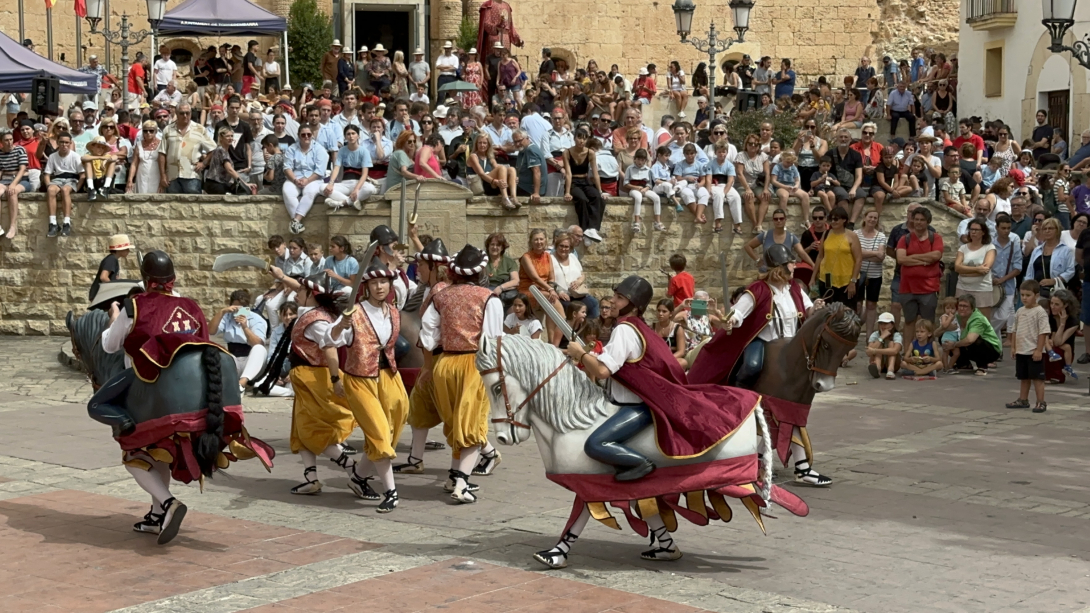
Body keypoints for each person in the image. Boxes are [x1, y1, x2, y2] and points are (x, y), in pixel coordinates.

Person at [88, 251, 232, 543]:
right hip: (198, 390)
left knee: (104, 415)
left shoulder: (135, 305)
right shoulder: (189, 305)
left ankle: (167, 501)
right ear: (173, 279)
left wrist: (116, 317)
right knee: (160, 455)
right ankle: (156, 516)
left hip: (148, 381)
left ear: (146, 279)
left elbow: (110, 346)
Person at [686, 245, 830, 485]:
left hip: (790, 350)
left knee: (791, 404)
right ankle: (741, 396)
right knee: (751, 366)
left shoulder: (795, 289)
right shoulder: (758, 290)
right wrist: (730, 319)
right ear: (779, 268)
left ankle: (771, 459)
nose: (795, 266)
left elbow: (808, 310)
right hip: (764, 343)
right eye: (791, 263)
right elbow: (739, 314)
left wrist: (817, 308)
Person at [419, 245, 505, 503]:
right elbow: (492, 340)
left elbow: (428, 335)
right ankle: (462, 484)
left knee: (456, 421)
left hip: (445, 363)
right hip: (474, 364)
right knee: (471, 423)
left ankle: (454, 475)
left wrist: (431, 362)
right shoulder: (489, 298)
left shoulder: (441, 296)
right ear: (480, 271)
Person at [265, 268, 361, 494]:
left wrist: (336, 379)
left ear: (311, 295)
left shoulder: (316, 319)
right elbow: (299, 289)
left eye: (303, 290)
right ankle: (311, 478)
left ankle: (352, 469)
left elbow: (330, 347)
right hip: (305, 379)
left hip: (314, 379)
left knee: (313, 431)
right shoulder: (314, 312)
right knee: (300, 430)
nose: (297, 293)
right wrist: (280, 276)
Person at [324, 259, 410, 513]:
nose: (380, 287)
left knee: (398, 416)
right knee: (379, 432)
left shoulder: (394, 311)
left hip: (388, 375)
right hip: (360, 379)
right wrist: (341, 325)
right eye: (374, 283)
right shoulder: (355, 312)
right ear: (367, 286)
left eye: (384, 282)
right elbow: (330, 339)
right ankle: (391, 491)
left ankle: (359, 477)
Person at [209, 289, 268, 391]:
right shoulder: (227, 317)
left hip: (251, 362)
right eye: (235, 309)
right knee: (216, 351)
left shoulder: (257, 319)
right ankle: (233, 381)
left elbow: (258, 343)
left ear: (247, 308)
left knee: (260, 349)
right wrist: (222, 312)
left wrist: (245, 327)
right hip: (234, 359)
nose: (237, 312)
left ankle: (242, 383)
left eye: (241, 309)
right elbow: (211, 331)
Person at [896, 206, 944, 331]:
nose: (918, 222)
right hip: (907, 288)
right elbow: (901, 259)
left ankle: (928, 350)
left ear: (928, 221)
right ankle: (907, 350)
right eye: (916, 219)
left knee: (928, 323)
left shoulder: (936, 238)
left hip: (928, 288)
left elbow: (936, 255)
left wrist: (912, 257)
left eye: (922, 220)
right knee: (909, 322)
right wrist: (924, 261)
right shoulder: (904, 239)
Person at [1007, 281, 1050, 412]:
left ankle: (1041, 401)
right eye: (1022, 295)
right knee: (1023, 377)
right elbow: (1015, 330)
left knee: (1037, 378)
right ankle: (1023, 399)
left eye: (1028, 295)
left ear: (1036, 295)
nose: (1024, 298)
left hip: (1033, 351)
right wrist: (1014, 347)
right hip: (1021, 350)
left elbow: (1043, 332)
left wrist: (1038, 350)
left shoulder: (1040, 312)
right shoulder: (1020, 311)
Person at [813, 206, 862, 308]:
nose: (833, 222)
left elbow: (858, 259)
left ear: (844, 220)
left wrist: (853, 281)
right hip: (828, 277)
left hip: (847, 279)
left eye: (836, 219)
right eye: (831, 219)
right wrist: (813, 277)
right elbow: (820, 256)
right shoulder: (826, 234)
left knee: (847, 311)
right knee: (827, 310)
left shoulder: (852, 236)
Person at [563, 128, 606, 242]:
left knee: (597, 197)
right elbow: (568, 173)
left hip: (585, 181)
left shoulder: (590, 153)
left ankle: (592, 229)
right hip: (573, 182)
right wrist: (567, 192)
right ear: (574, 138)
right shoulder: (567, 152)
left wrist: (600, 190)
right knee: (582, 199)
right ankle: (585, 230)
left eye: (584, 138)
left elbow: (595, 173)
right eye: (579, 137)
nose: (581, 141)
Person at [945, 293, 1003, 376]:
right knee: (944, 337)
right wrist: (943, 328)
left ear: (972, 308)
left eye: (965, 306)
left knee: (975, 341)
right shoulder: (956, 317)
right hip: (970, 347)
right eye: (960, 305)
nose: (961, 308)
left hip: (992, 350)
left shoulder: (978, 318)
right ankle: (964, 364)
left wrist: (953, 345)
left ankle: (982, 367)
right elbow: (936, 333)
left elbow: (970, 340)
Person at [323, 124, 377, 210]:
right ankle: (352, 202)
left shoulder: (364, 151)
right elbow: (336, 168)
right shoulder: (342, 150)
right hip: (345, 183)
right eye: (348, 134)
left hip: (359, 183)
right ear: (345, 137)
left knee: (370, 189)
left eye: (353, 133)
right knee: (322, 188)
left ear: (358, 136)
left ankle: (343, 203)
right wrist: (331, 183)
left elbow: (364, 174)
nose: (351, 136)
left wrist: (356, 189)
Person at [43, 131, 84, 238]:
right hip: (58, 178)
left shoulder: (75, 156)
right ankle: (52, 223)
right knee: (51, 190)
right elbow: (47, 174)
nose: (64, 145)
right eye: (61, 142)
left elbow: (82, 175)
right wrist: (48, 186)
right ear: (57, 143)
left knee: (65, 190)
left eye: (67, 143)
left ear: (70, 143)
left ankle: (66, 222)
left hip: (71, 179)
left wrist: (77, 189)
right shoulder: (52, 156)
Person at [744, 208, 815, 271]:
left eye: (781, 218)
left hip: (784, 273)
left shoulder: (791, 237)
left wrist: (813, 265)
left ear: (785, 220)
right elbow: (748, 246)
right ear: (773, 220)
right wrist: (758, 260)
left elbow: (802, 253)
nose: (778, 221)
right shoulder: (765, 235)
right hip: (767, 272)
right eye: (776, 219)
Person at [954, 218, 997, 319]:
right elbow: (957, 267)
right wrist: (977, 269)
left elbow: (985, 270)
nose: (973, 232)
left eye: (976, 230)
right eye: (971, 229)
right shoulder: (963, 248)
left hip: (981, 289)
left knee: (982, 322)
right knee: (963, 321)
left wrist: (964, 271)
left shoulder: (989, 248)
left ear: (983, 232)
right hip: (963, 288)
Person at [1025, 217, 1076, 300]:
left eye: (1050, 228)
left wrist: (1054, 280)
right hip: (1037, 292)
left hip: (1056, 291)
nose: (1047, 231)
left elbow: (1070, 271)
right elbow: (1030, 272)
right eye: (1045, 229)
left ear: (1057, 230)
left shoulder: (1066, 250)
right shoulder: (1037, 250)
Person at [551, 231, 598, 318]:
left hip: (577, 294)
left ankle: (591, 328)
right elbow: (548, 280)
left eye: (566, 247)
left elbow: (582, 274)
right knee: (571, 309)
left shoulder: (572, 257)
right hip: (562, 296)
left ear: (570, 248)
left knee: (593, 303)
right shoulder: (550, 259)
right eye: (561, 246)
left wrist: (578, 282)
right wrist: (559, 292)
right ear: (556, 246)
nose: (563, 249)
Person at [855, 209, 887, 337]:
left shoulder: (881, 236)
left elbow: (881, 257)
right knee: (857, 304)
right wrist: (873, 253)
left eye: (875, 218)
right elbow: (854, 254)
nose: (872, 220)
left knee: (871, 304)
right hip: (857, 274)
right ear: (864, 218)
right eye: (870, 217)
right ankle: (854, 331)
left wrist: (862, 254)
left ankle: (869, 335)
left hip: (875, 274)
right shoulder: (855, 234)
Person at [990, 213, 1023, 335]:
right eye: (1003, 228)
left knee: (1002, 317)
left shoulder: (1014, 244)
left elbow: (1018, 267)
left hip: (1008, 286)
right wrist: (992, 278)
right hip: (990, 284)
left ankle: (983, 333)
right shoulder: (990, 244)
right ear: (997, 228)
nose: (1006, 231)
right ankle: (996, 348)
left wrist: (1003, 279)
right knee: (991, 314)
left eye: (1008, 228)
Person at [1045, 289, 1081, 384]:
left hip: (1065, 353)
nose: (1053, 307)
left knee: (1055, 350)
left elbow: (1058, 342)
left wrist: (1062, 324)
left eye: (1057, 304)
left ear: (1065, 305)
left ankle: (1058, 376)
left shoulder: (1073, 321)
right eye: (1051, 303)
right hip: (1052, 346)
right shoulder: (1049, 317)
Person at [866, 312, 903, 379]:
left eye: (886, 323)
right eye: (880, 323)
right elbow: (868, 352)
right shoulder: (875, 334)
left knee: (891, 343)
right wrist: (881, 337)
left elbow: (895, 351)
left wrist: (875, 350)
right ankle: (877, 368)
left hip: (894, 364)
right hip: (880, 361)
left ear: (892, 325)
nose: (883, 326)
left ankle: (890, 370)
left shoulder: (897, 335)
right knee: (878, 344)